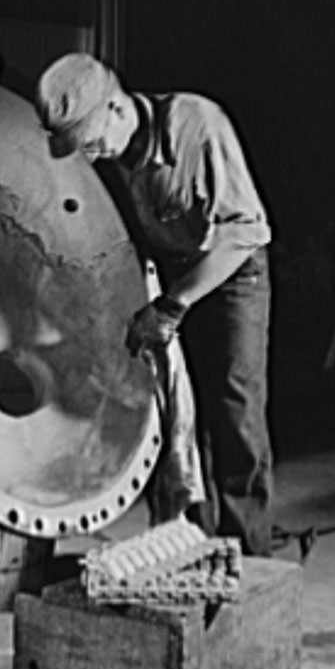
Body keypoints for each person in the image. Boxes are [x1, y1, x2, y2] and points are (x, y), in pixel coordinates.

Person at [35, 53, 273, 556]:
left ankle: (251, 557)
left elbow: (246, 231)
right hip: (172, 275)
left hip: (231, 270)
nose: (90, 154)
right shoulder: (114, 154)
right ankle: (193, 546)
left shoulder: (198, 126)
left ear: (117, 109)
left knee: (235, 409)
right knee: (177, 413)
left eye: (90, 139)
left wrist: (172, 306)